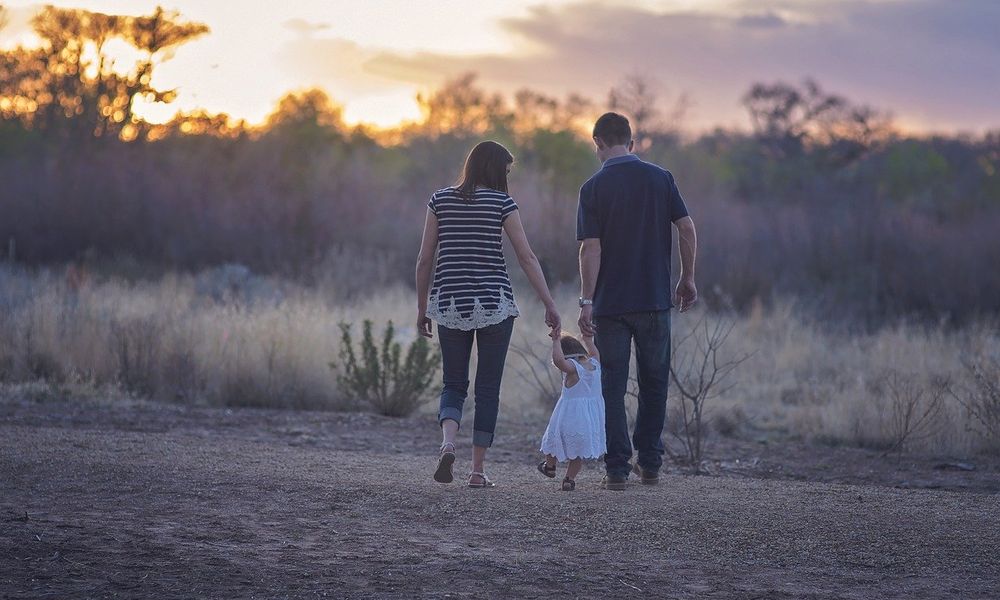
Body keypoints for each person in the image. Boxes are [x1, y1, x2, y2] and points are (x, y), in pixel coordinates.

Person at [415, 140, 561, 488]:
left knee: (453, 383)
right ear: (496, 170)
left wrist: (423, 308)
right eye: (507, 171)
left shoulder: (440, 200)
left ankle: (448, 443)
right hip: (495, 304)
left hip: (449, 303)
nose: (507, 177)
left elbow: (424, 259)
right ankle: (477, 472)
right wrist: (549, 303)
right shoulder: (502, 203)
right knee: (488, 389)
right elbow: (526, 258)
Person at [576, 112, 698, 491]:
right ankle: (650, 463)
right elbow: (687, 227)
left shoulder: (592, 188)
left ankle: (616, 469)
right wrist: (687, 277)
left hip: (611, 305)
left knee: (612, 386)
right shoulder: (661, 179)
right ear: (631, 142)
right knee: (654, 383)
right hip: (654, 301)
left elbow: (590, 249)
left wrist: (586, 300)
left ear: (597, 143)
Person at [537, 329, 606, 491]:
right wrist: (588, 339)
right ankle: (569, 479)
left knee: (553, 440)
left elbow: (559, 360)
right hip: (589, 419)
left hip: (569, 416)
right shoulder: (595, 364)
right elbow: (594, 351)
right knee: (578, 452)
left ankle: (550, 466)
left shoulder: (573, 368)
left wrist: (555, 341)